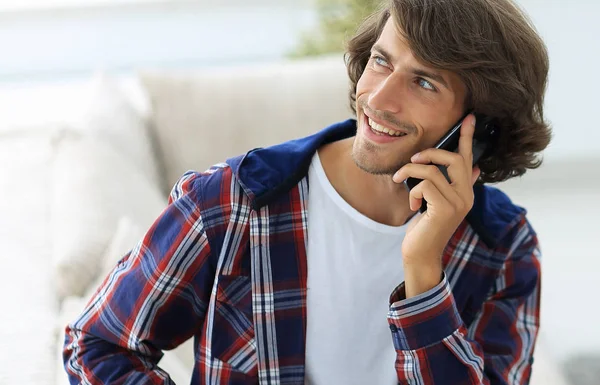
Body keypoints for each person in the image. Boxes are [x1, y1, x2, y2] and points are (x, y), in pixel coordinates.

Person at [63, 0, 551, 383]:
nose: (378, 98)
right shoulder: (230, 203)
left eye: (424, 82)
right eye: (381, 61)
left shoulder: (505, 249)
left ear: (479, 129)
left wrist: (424, 271)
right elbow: (98, 345)